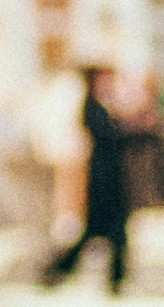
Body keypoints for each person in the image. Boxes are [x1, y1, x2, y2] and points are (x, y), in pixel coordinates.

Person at [39, 63, 140, 293]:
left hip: (111, 180)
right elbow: (108, 136)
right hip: (103, 182)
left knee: (109, 235)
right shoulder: (92, 106)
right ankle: (60, 271)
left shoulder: (104, 105)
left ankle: (112, 280)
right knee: (100, 234)